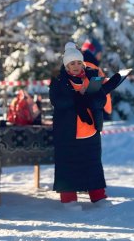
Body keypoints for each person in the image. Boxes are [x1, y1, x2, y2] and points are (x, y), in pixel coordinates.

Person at [49, 42, 116, 206]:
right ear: (66, 66)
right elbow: (57, 101)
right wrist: (77, 96)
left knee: (93, 164)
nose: (76, 66)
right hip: (68, 132)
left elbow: (100, 99)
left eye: (79, 62)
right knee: (67, 165)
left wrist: (92, 96)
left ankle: (98, 196)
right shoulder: (59, 79)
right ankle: (68, 199)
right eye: (72, 63)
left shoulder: (92, 75)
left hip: (90, 130)